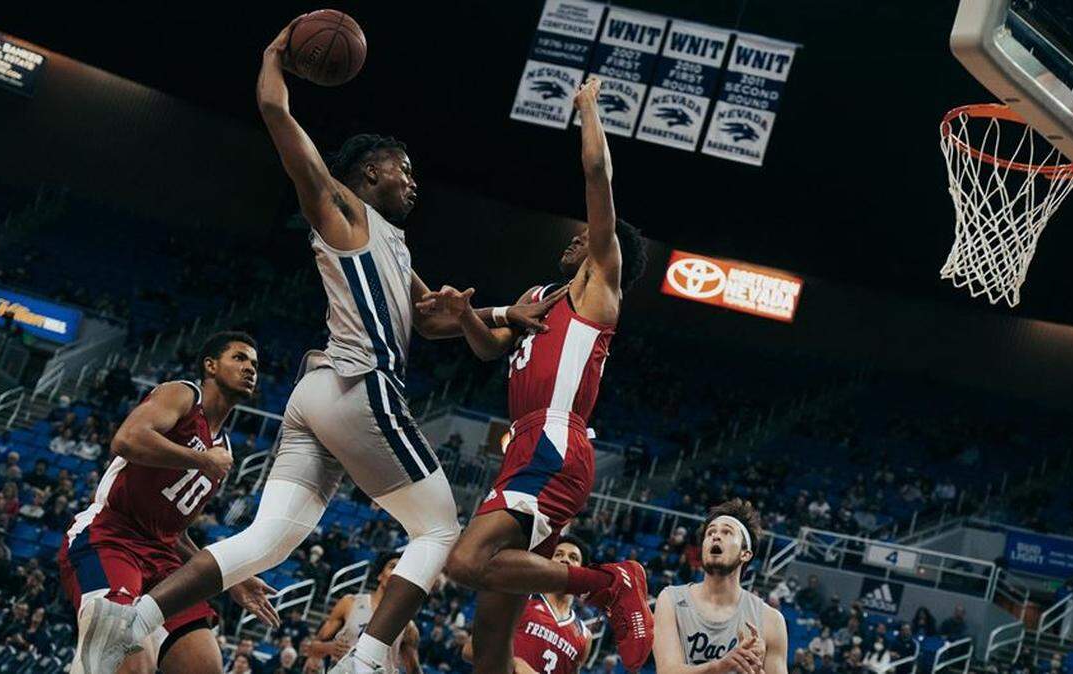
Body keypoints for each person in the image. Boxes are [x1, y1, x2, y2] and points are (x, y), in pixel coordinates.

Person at [77, 21, 559, 674]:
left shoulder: (393, 240)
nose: (414, 181)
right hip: (360, 383)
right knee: (441, 529)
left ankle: (134, 619)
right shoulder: (340, 208)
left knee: (271, 539)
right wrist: (276, 55)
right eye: (403, 169)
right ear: (368, 172)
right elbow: (277, 113)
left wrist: (500, 311)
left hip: (317, 395)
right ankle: (364, 661)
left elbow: (434, 317)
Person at [435, 76, 651, 673]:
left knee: (462, 563)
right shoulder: (539, 295)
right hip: (526, 442)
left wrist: (587, 109)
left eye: (587, 236)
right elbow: (487, 349)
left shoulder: (598, 287)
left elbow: (597, 180)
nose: (578, 235)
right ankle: (601, 583)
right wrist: (466, 317)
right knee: (488, 643)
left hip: (555, 438)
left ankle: (609, 583)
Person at [61, 332, 277, 674]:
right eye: (239, 358)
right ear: (210, 365)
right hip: (111, 536)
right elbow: (126, 440)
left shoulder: (225, 451)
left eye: (254, 363)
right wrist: (201, 460)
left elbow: (175, 535)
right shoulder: (184, 394)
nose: (250, 368)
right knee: (129, 662)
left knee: (205, 666)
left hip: (162, 559)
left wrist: (232, 578)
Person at [653, 499, 788, 674]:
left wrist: (756, 670)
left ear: (745, 554)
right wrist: (721, 666)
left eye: (727, 532)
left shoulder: (770, 621)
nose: (715, 536)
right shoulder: (671, 599)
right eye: (710, 533)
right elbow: (666, 672)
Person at [460, 538, 591, 674]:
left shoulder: (584, 637)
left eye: (573, 557)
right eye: (558, 554)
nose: (565, 559)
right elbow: (470, 649)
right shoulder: (518, 599)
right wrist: (514, 663)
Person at [308, 556, 421, 674]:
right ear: (380, 575)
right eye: (392, 567)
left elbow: (414, 670)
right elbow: (312, 648)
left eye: (402, 569)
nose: (397, 572)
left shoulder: (407, 626)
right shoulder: (350, 603)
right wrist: (330, 647)